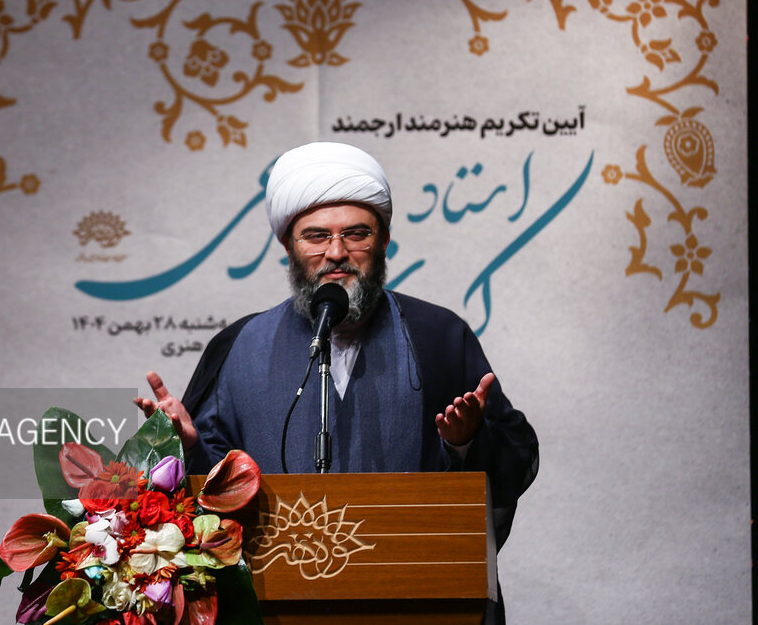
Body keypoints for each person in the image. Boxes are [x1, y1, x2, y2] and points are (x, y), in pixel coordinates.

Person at [134, 142, 538, 556]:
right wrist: (188, 447)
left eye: (356, 234)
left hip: (409, 574)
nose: (336, 252)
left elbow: (513, 457)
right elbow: (213, 495)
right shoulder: (241, 345)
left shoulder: (439, 336)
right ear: (289, 247)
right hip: (277, 584)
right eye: (316, 236)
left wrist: (465, 443)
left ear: (384, 241)